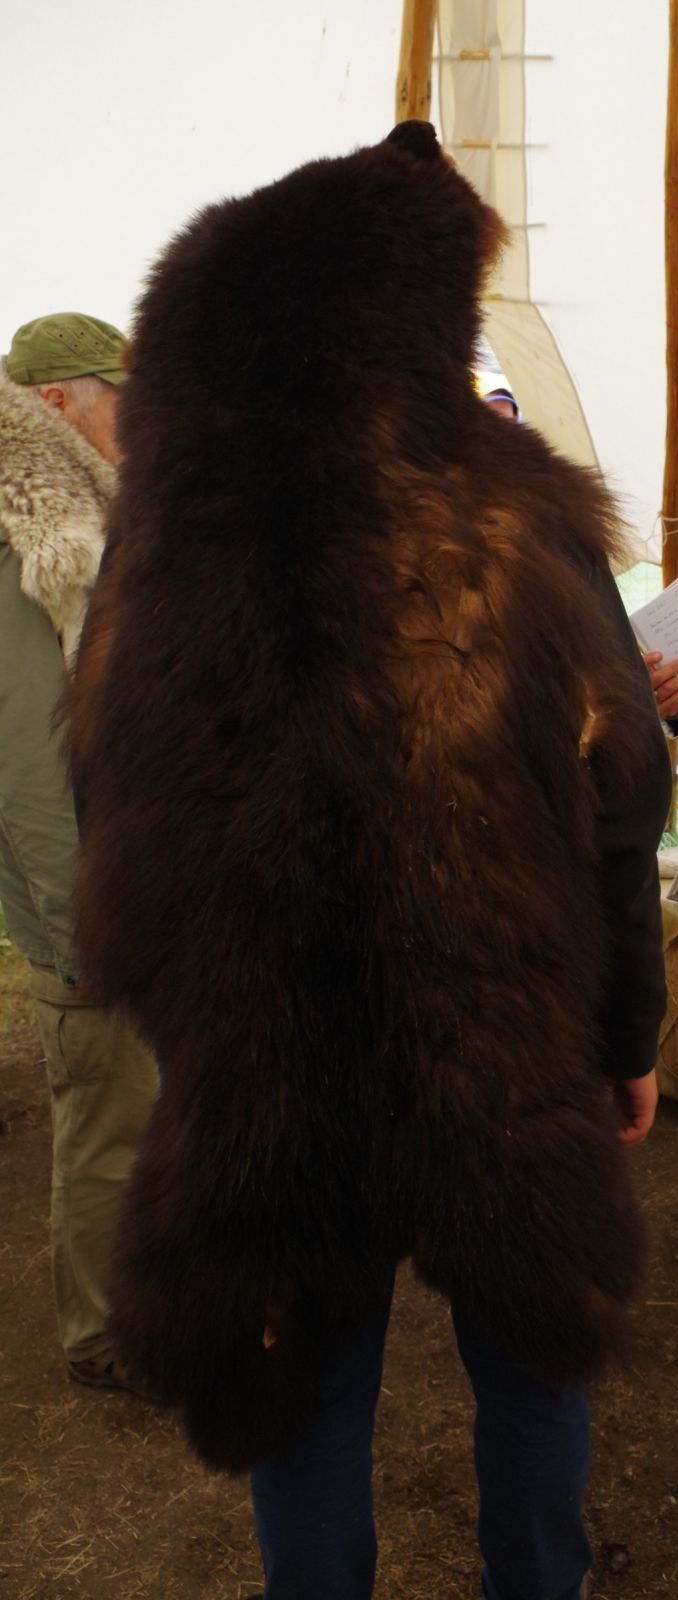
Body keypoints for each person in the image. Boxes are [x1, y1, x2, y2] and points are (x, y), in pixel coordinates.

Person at [63, 121, 670, 1600]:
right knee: (529, 1354)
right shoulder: (514, 510)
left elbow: (104, 791)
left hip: (268, 1068)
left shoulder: (164, 535)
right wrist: (628, 1032)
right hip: (495, 1048)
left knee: (301, 1373)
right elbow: (622, 791)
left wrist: (189, 1018)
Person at [0, 313, 158, 1392]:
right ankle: (104, 1337)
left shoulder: (81, 516)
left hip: (121, 886)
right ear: (56, 403)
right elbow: (27, 765)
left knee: (137, 1106)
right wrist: (73, 927)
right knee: (105, 1119)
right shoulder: (31, 538)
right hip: (84, 910)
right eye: (119, 394)